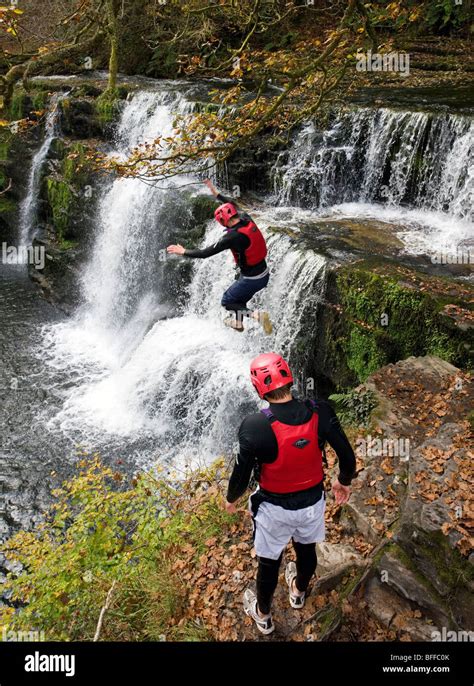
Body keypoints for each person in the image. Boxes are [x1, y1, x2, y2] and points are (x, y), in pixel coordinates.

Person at [224, 353, 356, 635]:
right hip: (311, 502)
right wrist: (342, 481)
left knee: (269, 562)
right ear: (289, 377)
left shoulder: (254, 426)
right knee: (306, 550)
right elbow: (347, 456)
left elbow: (241, 474)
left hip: (274, 508)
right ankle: (298, 592)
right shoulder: (321, 410)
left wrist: (230, 498)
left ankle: (263, 615)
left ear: (259, 388)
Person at [167, 180, 272, 334]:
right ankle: (237, 323)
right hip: (264, 275)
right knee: (238, 301)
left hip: (251, 279)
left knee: (228, 301)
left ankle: (258, 316)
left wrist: (183, 251)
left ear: (223, 221)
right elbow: (232, 203)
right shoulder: (246, 217)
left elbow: (204, 253)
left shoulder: (231, 237)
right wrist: (216, 194)